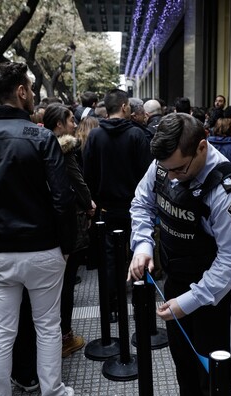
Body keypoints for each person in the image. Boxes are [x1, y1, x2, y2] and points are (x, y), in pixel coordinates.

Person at [0, 62, 76, 396]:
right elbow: (62, 198)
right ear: (21, 91)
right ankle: (52, 392)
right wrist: (66, 245)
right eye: (32, 88)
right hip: (42, 249)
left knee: (0, 332)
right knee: (47, 327)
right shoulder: (40, 137)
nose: (35, 94)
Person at [128, 113, 231, 396]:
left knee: (215, 375)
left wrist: (190, 302)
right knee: (184, 365)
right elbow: (142, 203)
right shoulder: (165, 165)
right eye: (166, 169)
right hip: (175, 278)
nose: (171, 178)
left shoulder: (228, 190)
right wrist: (143, 246)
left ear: (202, 147)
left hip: (215, 293)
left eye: (179, 170)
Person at [82, 88, 152, 321]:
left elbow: (88, 173)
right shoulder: (136, 135)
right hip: (135, 206)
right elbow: (146, 174)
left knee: (110, 258)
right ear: (124, 107)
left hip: (106, 208)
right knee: (138, 252)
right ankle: (141, 305)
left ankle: (111, 307)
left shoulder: (95, 136)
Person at [43, 104, 95, 357]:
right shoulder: (64, 149)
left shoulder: (37, 146)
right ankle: (64, 337)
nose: (75, 124)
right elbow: (78, 182)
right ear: (59, 125)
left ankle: (51, 336)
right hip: (67, 223)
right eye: (71, 120)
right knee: (65, 285)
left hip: (45, 225)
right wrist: (90, 204)